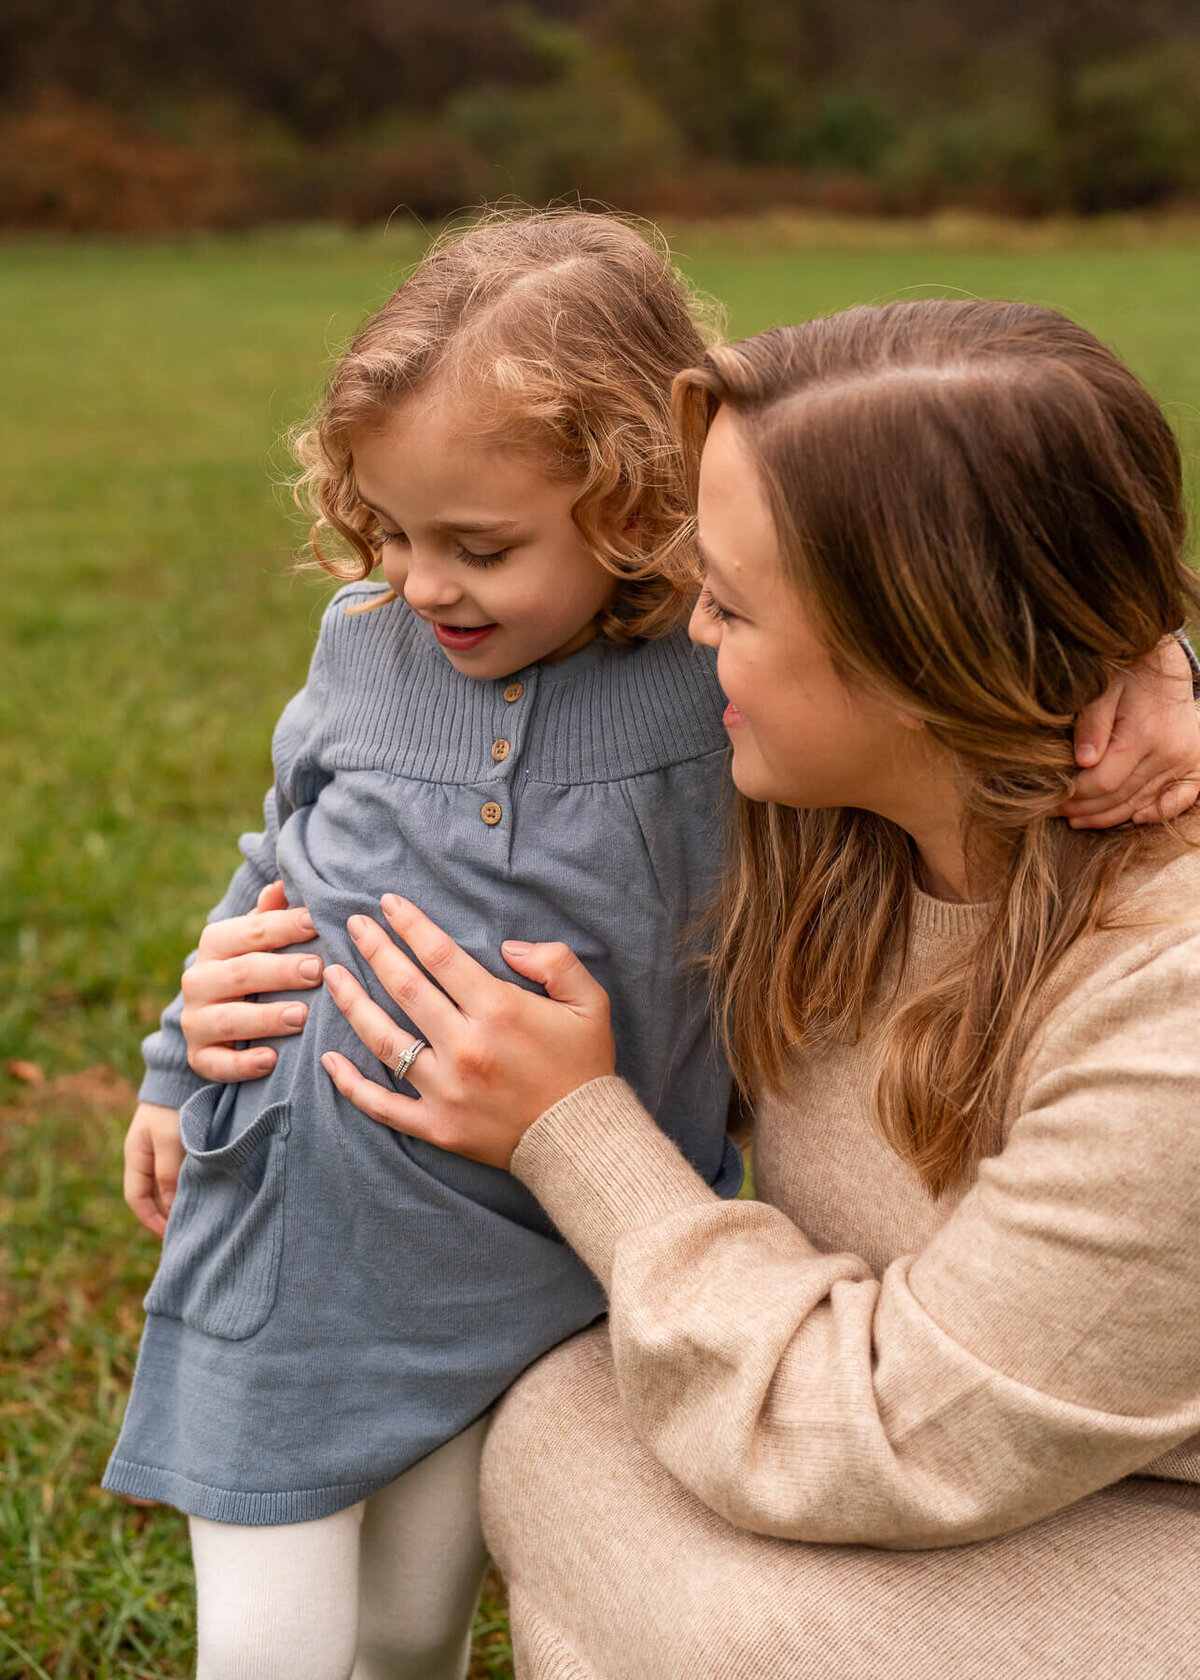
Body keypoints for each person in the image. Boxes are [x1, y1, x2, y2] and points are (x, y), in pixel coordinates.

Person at [134, 274, 1200, 1672]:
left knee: (746, 1625)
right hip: (964, 1438)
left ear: (910, 648)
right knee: (558, 1423)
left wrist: (574, 1132)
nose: (683, 637)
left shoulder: (1164, 1008)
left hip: (1097, 1511)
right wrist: (251, 982)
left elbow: (889, 1438)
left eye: (734, 606)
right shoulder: (821, 825)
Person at [105, 211, 750, 1680]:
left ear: (640, 500)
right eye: (391, 530)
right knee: (269, 1652)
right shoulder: (362, 643)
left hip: (529, 1253)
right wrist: (167, 1066)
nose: (420, 584)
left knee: (407, 1633)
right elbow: (286, 852)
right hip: (298, 1215)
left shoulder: (716, 682)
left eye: (480, 547)